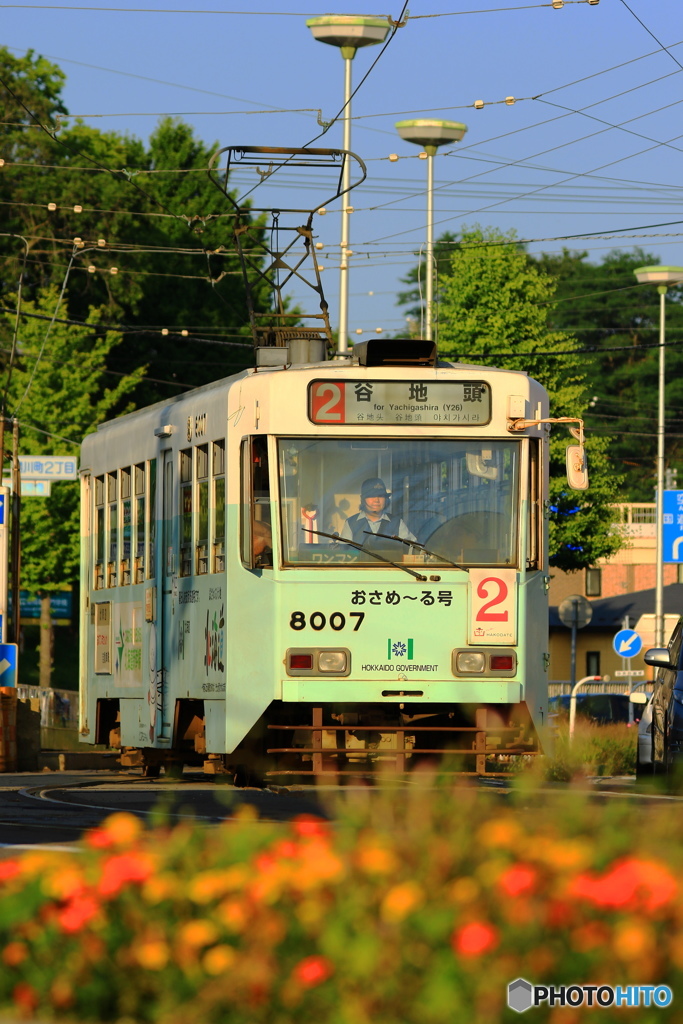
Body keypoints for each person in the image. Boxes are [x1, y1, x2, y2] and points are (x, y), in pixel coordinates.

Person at [341, 477, 416, 548]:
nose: (376, 500)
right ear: (363, 499)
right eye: (371, 496)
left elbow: (414, 549)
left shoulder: (397, 522)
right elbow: (343, 552)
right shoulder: (351, 523)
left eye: (380, 496)